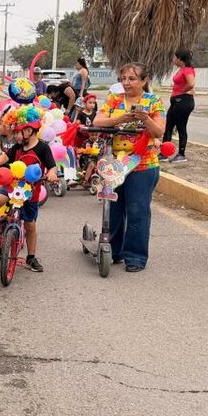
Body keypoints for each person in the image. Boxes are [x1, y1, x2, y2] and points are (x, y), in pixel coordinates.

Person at [92, 63, 166, 271]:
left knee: (137, 211)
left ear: (144, 81)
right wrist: (120, 118)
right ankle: (113, 251)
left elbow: (159, 131)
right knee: (113, 209)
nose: (126, 83)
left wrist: (146, 119)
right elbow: (99, 120)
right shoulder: (114, 99)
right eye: (123, 78)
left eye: (132, 79)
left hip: (144, 165)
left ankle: (135, 257)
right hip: (114, 165)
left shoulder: (153, 102)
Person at [0, 105, 56, 272]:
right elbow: (5, 157)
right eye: (15, 131)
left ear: (30, 130)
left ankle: (31, 257)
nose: (15, 135)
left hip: (30, 192)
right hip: (13, 186)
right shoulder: (17, 147)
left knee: (30, 225)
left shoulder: (43, 148)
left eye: (18, 132)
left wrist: (52, 174)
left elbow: (52, 166)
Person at [161, 49, 195, 162]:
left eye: (175, 57)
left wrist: (182, 91)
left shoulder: (188, 70)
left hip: (184, 101)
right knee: (168, 126)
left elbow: (191, 84)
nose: (173, 59)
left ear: (180, 58)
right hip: (176, 101)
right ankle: (164, 153)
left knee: (181, 127)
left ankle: (181, 154)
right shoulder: (181, 70)